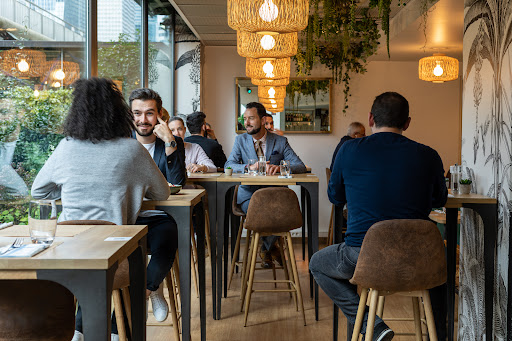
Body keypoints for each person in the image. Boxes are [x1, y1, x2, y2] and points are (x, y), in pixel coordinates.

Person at [31, 78, 172, 341]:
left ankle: (79, 330)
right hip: (115, 252)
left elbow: (38, 192)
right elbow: (162, 193)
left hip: (67, 251)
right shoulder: (132, 149)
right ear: (120, 112)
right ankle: (117, 330)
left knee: (90, 264)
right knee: (124, 254)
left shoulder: (66, 147)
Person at [309, 92, 448, 341]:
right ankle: (439, 333)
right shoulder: (429, 155)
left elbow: (335, 197)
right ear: (407, 123)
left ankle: (370, 324)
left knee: (317, 263)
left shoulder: (348, 150)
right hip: (419, 259)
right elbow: (439, 201)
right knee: (439, 270)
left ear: (371, 119)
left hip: (363, 257)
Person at [129, 88, 187, 325]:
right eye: (137, 113)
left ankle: (146, 292)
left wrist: (170, 142)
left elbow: (178, 182)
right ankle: (154, 288)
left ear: (160, 115)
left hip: (160, 216)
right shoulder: (122, 144)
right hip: (125, 215)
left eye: (149, 113)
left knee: (167, 236)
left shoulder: (172, 143)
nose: (143, 120)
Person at [225, 102, 306, 268]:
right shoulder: (240, 140)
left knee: (283, 212)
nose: (246, 123)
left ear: (262, 120)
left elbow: (300, 166)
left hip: (277, 196)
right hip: (249, 196)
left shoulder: (280, 141)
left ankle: (266, 247)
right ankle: (271, 248)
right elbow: (229, 165)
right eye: (245, 119)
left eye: (251, 118)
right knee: (263, 213)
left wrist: (281, 167)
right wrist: (249, 167)